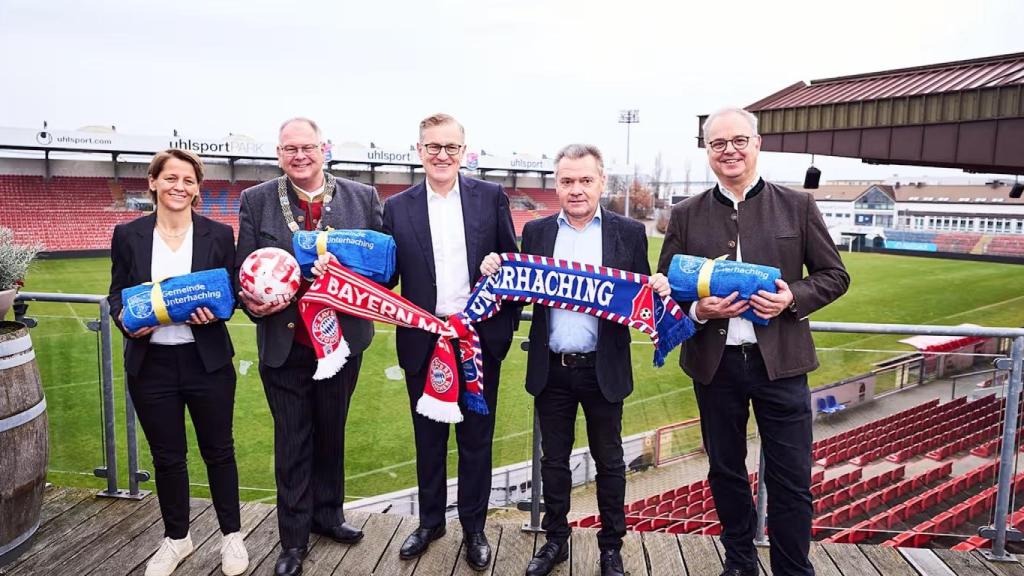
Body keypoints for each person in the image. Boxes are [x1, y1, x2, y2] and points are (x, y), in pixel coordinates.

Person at [656, 107, 850, 576]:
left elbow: (835, 276)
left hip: (781, 365)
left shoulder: (797, 206)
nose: (730, 151)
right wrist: (696, 310)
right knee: (725, 472)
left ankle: (791, 568)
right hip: (714, 366)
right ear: (707, 152)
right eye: (718, 144)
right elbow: (663, 288)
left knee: (791, 480)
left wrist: (791, 299)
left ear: (757, 144)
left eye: (739, 141)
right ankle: (739, 563)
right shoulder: (685, 214)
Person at [480, 143, 669, 576]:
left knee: (610, 462)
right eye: (567, 181)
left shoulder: (629, 233)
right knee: (552, 462)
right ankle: (555, 541)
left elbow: (640, 299)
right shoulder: (538, 233)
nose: (577, 189)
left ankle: (610, 546)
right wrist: (495, 267)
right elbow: (517, 286)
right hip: (553, 368)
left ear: (602, 182)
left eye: (585, 180)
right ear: (557, 185)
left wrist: (656, 289)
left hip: (604, 369)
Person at [235, 118, 383, 576]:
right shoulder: (256, 201)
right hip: (285, 344)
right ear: (279, 154)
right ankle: (293, 541)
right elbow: (244, 270)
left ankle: (329, 515)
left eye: (308, 147)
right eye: (289, 149)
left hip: (343, 341)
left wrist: (350, 272)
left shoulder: (363, 198)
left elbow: (384, 271)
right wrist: (254, 302)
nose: (299, 155)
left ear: (325, 149)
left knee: (331, 433)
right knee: (293, 440)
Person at [382, 113, 518, 571]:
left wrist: (500, 327)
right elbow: (385, 277)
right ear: (419, 151)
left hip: (477, 339)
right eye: (433, 147)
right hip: (423, 339)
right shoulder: (397, 207)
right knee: (429, 439)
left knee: (476, 440)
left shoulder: (490, 197)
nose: (442, 156)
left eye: (451, 148)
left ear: (464, 151)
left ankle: (474, 529)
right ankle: (430, 523)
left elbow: (514, 266)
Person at [109, 149, 248, 576]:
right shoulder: (128, 234)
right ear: (152, 182)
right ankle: (177, 539)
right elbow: (117, 295)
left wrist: (217, 313)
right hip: (151, 365)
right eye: (170, 178)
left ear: (197, 188)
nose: (179, 187)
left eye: (188, 180)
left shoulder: (219, 234)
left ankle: (232, 537)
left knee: (219, 451)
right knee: (167, 457)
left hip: (206, 361)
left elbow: (230, 297)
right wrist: (126, 323)